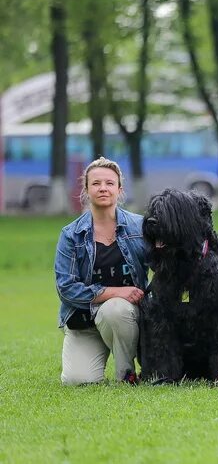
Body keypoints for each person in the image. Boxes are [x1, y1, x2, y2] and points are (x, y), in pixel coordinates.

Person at [55, 157, 148, 385]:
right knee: (77, 380)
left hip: (126, 315)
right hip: (84, 321)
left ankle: (126, 375)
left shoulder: (141, 227)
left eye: (109, 183)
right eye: (96, 183)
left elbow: (165, 267)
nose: (103, 188)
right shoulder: (71, 235)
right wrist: (115, 291)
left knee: (114, 310)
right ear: (86, 190)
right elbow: (66, 289)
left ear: (119, 189)